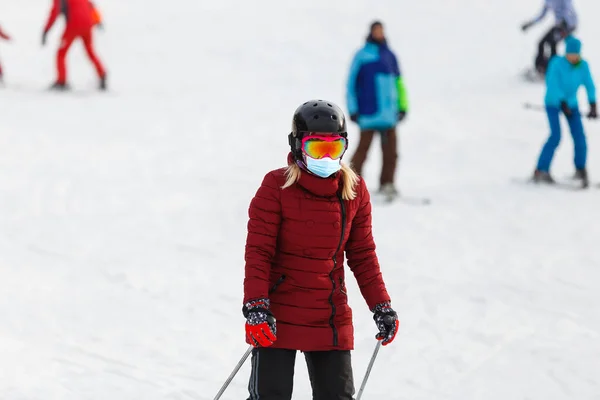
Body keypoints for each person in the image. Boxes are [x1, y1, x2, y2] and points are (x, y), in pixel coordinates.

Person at [243, 100, 399, 399]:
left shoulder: (353, 191)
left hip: (329, 314)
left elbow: (363, 254)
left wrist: (381, 305)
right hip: (278, 313)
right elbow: (258, 252)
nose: (326, 157)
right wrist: (256, 306)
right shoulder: (276, 186)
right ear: (299, 146)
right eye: (317, 148)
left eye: (334, 147)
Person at [346, 21, 409, 200]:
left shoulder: (389, 55)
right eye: (376, 30)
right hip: (369, 112)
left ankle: (387, 184)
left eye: (381, 30)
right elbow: (351, 84)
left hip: (389, 115)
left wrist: (402, 106)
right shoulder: (361, 56)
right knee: (362, 150)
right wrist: (353, 108)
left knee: (391, 152)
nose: (379, 33)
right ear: (371, 32)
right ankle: (350, 183)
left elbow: (398, 83)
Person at [533, 35, 597, 188]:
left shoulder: (583, 66)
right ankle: (541, 170)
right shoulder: (557, 63)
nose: (573, 57)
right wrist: (561, 102)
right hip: (553, 103)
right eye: (570, 54)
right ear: (566, 53)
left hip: (572, 105)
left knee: (579, 137)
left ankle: (580, 169)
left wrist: (593, 104)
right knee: (556, 135)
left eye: (575, 55)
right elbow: (552, 84)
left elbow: (589, 84)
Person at [42, 0, 107, 90]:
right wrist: (97, 20)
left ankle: (61, 81)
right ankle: (102, 74)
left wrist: (46, 30)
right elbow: (90, 5)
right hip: (88, 24)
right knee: (90, 51)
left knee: (61, 53)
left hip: (74, 25)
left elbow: (54, 13)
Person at [521, 0, 578, 77]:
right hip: (558, 25)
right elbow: (541, 15)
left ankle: (554, 70)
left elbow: (569, 10)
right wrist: (530, 23)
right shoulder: (548, 1)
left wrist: (566, 23)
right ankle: (540, 68)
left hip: (568, 25)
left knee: (552, 43)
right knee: (541, 42)